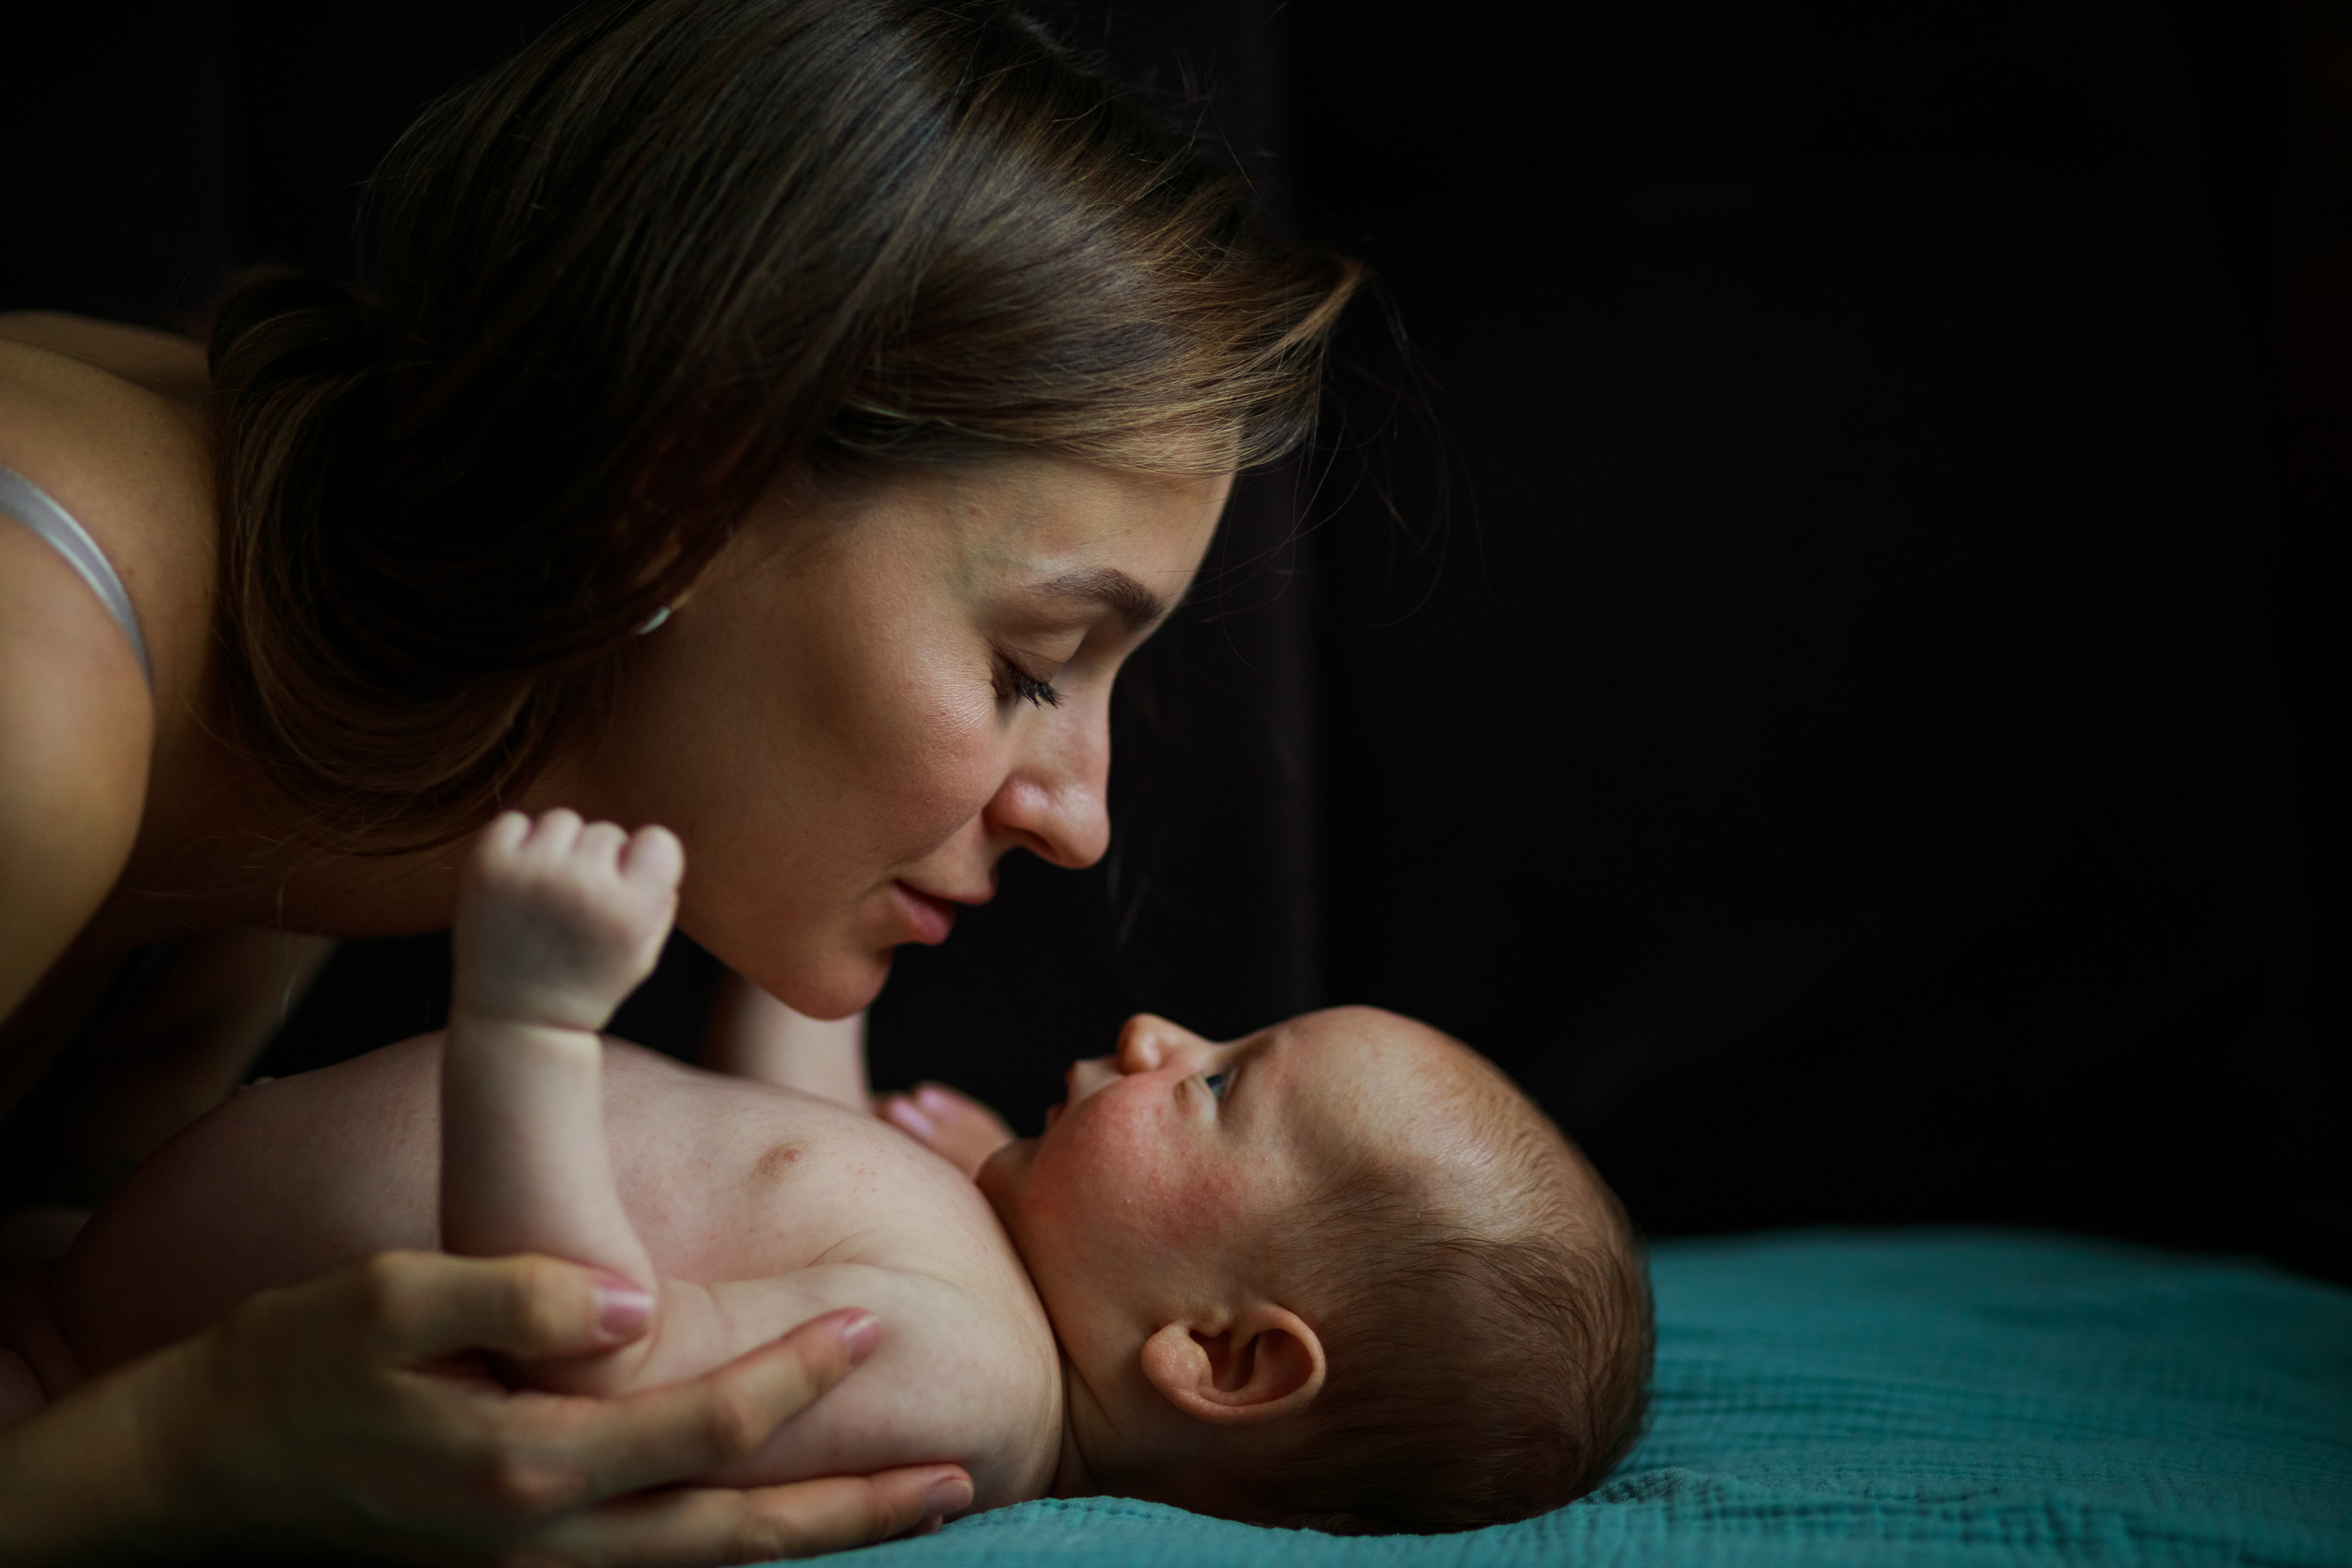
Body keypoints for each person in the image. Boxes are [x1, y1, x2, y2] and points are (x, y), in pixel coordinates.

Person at [0, 0, 1357, 1557]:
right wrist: (186, 1453)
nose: (1080, 816)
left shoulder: (357, 702)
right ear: (677, 498)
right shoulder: (34, 690)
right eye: (1029, 664)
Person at [8, 809, 1654, 1535]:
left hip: (89, 1391)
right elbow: (784, 1087)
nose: (1160, 1031)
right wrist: (824, 904)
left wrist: (527, 1021)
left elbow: (589, 1365)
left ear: (1217, 1356)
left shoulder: (962, 1380)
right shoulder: (984, 1264)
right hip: (93, 1271)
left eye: (1221, 1089)